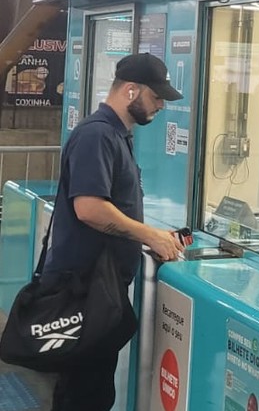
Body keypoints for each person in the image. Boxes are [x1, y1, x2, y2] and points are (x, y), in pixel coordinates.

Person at [43, 52, 187, 411]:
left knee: (92, 391)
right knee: (84, 395)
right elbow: (89, 208)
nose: (159, 107)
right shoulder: (97, 135)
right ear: (131, 91)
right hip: (84, 288)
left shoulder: (116, 136)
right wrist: (148, 235)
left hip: (97, 287)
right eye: (156, 98)